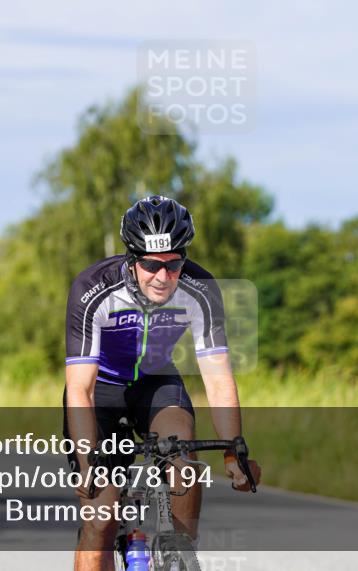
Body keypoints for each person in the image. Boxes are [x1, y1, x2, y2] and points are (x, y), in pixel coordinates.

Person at [63, 195, 261, 571]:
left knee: (182, 455)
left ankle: (180, 553)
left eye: (174, 265)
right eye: (152, 265)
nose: (163, 276)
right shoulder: (93, 289)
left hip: (156, 381)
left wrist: (235, 453)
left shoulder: (200, 289)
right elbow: (80, 388)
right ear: (132, 258)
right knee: (100, 519)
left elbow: (218, 379)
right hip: (100, 388)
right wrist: (88, 461)